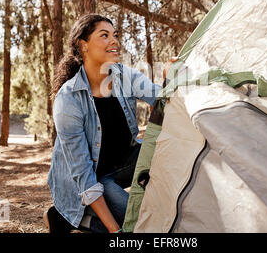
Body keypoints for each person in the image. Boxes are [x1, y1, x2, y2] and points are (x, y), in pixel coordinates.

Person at [44, 13, 175, 233]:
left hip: (122, 164)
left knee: (168, 151)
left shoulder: (125, 76)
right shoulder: (68, 99)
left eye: (115, 35)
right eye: (104, 35)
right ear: (83, 45)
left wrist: (170, 79)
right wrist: (116, 233)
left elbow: (163, 101)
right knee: (134, 224)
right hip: (90, 178)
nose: (114, 41)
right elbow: (84, 176)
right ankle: (69, 218)